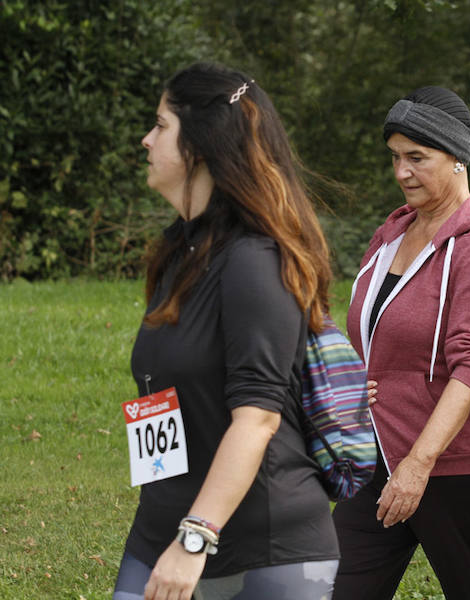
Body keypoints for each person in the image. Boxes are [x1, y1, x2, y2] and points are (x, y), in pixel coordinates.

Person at [113, 62, 338, 600]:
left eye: (160, 126)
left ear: (198, 145)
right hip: (160, 530)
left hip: (261, 549)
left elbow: (258, 419)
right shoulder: (181, 253)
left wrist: (194, 539)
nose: (146, 140)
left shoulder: (254, 261)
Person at [331, 86, 470, 600]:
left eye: (417, 158)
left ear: (457, 158)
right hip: (379, 454)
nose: (402, 172)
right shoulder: (392, 233)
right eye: (395, 157)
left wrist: (419, 464)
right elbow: (374, 334)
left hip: (454, 467)